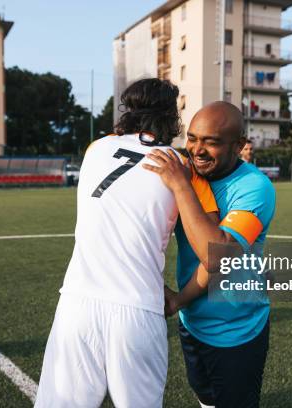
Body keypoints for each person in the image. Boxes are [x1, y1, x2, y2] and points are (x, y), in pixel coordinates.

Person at [34, 79, 218, 408]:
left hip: (77, 305)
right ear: (170, 116)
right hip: (138, 309)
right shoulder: (182, 167)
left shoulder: (96, 148)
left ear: (129, 111)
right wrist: (178, 298)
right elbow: (216, 253)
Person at [144, 101, 276, 408]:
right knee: (203, 392)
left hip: (237, 328)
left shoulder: (255, 187)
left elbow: (217, 258)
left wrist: (180, 186)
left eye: (211, 142)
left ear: (240, 146)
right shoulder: (187, 170)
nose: (197, 150)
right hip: (193, 321)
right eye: (192, 138)